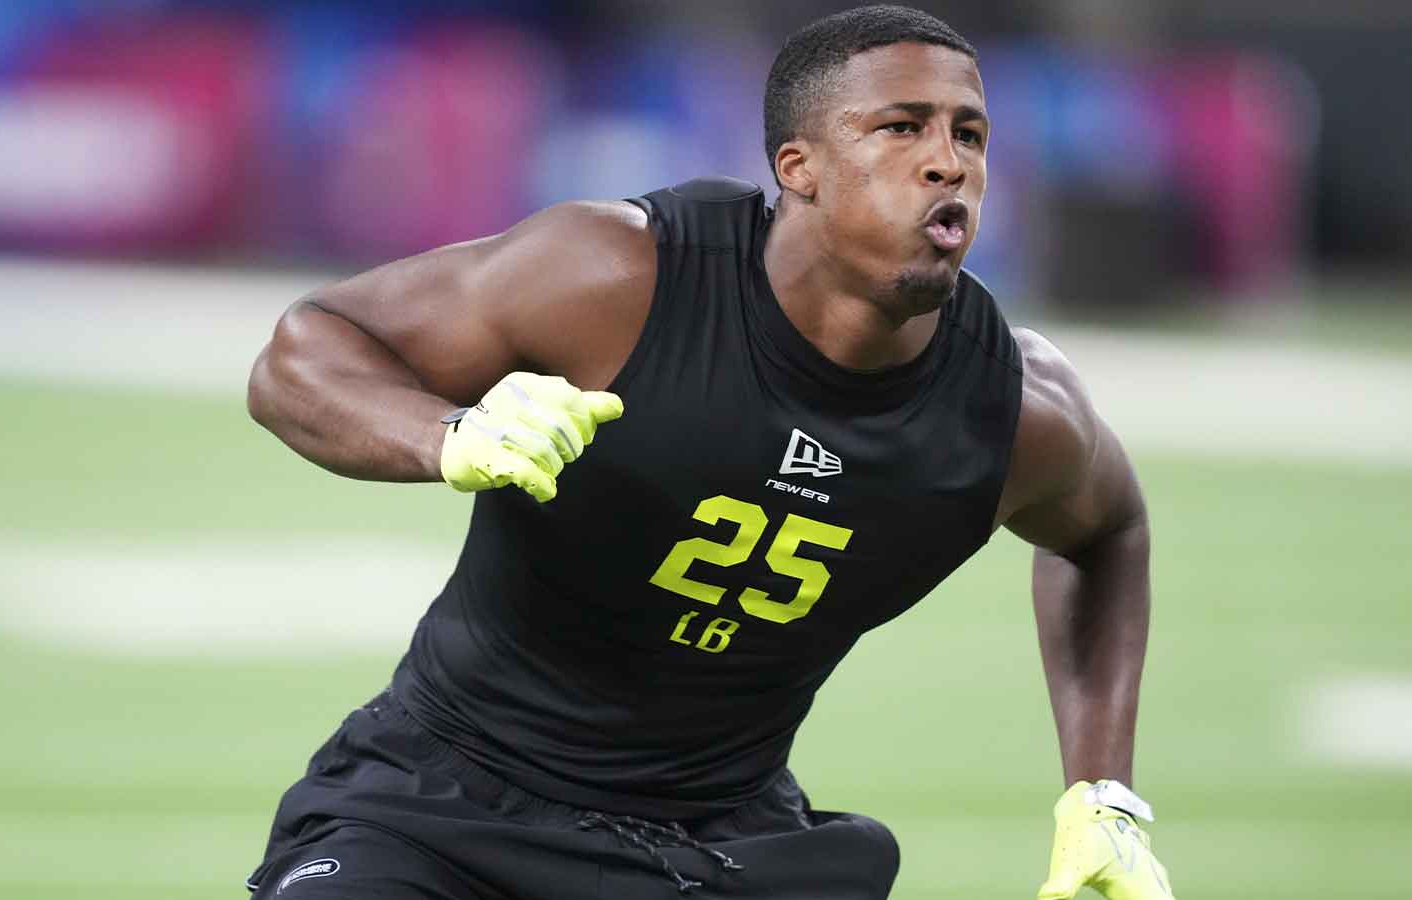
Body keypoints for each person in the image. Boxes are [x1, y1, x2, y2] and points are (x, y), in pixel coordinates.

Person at [244, 5, 1174, 899]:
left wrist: (1105, 793)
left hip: (712, 846)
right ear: (797, 166)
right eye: (901, 128)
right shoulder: (622, 278)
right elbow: (303, 349)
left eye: (970, 136)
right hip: (443, 803)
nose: (948, 164)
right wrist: (447, 436)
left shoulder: (1010, 410)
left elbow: (1108, 530)